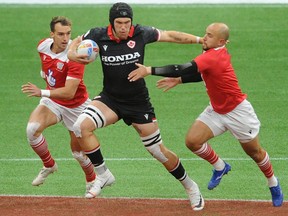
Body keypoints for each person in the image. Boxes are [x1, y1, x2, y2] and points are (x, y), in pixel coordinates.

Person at [128, 22, 284, 207]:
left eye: (209, 35)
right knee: (192, 141)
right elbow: (201, 74)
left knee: (255, 153)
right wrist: (179, 81)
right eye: (205, 33)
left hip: (238, 113)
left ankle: (273, 183)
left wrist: (149, 70)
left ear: (221, 41)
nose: (204, 37)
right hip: (216, 110)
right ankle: (220, 166)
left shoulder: (214, 56)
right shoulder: (211, 53)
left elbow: (183, 67)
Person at [67, 2, 204, 211]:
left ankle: (190, 186)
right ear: (111, 23)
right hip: (110, 99)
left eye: (127, 22)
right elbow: (75, 42)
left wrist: (199, 40)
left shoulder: (142, 33)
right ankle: (103, 174)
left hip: (138, 103)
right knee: (80, 127)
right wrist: (72, 54)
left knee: (158, 151)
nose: (123, 27)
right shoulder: (97, 34)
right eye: (119, 23)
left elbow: (171, 36)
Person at [21, 16, 96, 196]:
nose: (65, 38)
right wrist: (45, 75)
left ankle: (91, 179)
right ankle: (49, 165)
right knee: (32, 130)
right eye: (60, 34)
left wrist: (42, 92)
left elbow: (69, 92)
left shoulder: (76, 55)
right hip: (54, 102)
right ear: (52, 35)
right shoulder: (43, 46)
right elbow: (46, 65)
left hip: (76, 106)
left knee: (78, 153)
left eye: (68, 34)